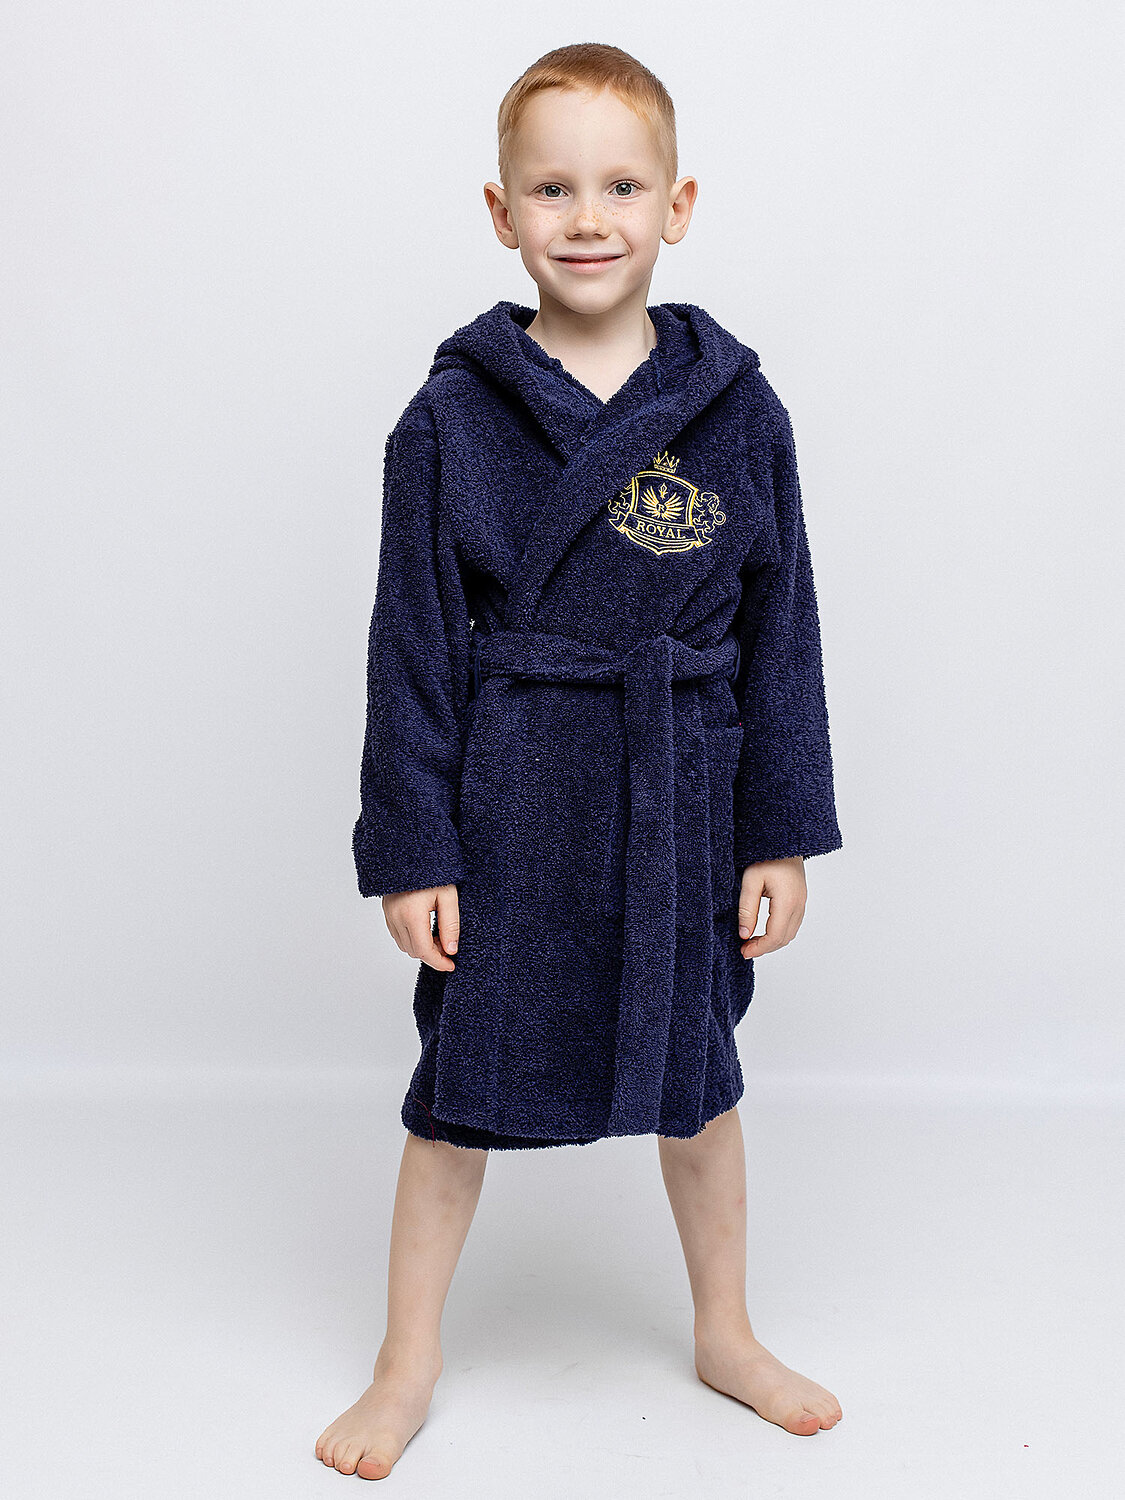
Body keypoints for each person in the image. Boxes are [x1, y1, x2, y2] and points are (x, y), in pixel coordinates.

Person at [316, 41, 845, 1480]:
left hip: (683, 784)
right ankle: (405, 1361)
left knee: (700, 1076)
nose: (588, 217)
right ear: (502, 213)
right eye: (552, 189)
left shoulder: (738, 411)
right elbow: (410, 645)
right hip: (514, 793)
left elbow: (781, 631)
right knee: (459, 1088)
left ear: (679, 205)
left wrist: (778, 831)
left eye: (621, 185)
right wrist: (413, 849)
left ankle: (725, 1330)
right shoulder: (449, 420)